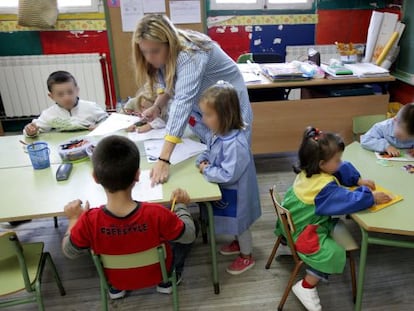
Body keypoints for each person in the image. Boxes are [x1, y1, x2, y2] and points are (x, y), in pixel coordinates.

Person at [61, 135, 196, 299]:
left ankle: (116, 288)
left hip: (115, 278)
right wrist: (181, 205)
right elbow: (189, 235)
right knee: (179, 232)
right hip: (158, 273)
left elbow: (69, 251)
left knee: (93, 242)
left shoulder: (89, 220)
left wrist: (75, 219)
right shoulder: (157, 213)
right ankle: (166, 282)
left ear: (95, 177)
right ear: (138, 175)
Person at [275, 127, 392, 311]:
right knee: (333, 253)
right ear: (322, 163)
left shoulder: (309, 170)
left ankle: (286, 243)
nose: (341, 163)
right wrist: (371, 197)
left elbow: (341, 169)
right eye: (337, 160)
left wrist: (357, 180)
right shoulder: (325, 189)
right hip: (305, 231)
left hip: (292, 224)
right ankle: (306, 286)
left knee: (336, 224)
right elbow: (348, 200)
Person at [132, 14, 253, 185]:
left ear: (169, 43)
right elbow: (167, 83)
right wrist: (158, 106)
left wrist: (164, 159)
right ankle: (217, 204)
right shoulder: (165, 54)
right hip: (207, 107)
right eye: (144, 52)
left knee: (232, 163)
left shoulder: (190, 54)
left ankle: (236, 208)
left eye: (155, 51)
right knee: (212, 157)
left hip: (229, 107)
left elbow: (182, 102)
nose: (149, 58)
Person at [195, 82, 261, 275]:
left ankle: (247, 256)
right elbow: (210, 151)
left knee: (241, 224)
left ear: (224, 115)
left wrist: (206, 171)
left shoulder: (235, 143)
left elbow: (228, 174)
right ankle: (237, 243)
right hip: (227, 189)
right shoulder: (218, 133)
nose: (204, 119)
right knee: (234, 223)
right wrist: (203, 160)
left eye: (208, 115)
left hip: (237, 192)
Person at [23, 70, 107, 137]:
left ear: (77, 90)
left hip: (90, 142)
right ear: (51, 96)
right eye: (60, 94)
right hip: (64, 147)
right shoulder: (49, 114)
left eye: (70, 92)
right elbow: (34, 129)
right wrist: (31, 131)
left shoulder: (90, 107)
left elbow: (108, 121)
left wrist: (100, 126)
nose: (66, 98)